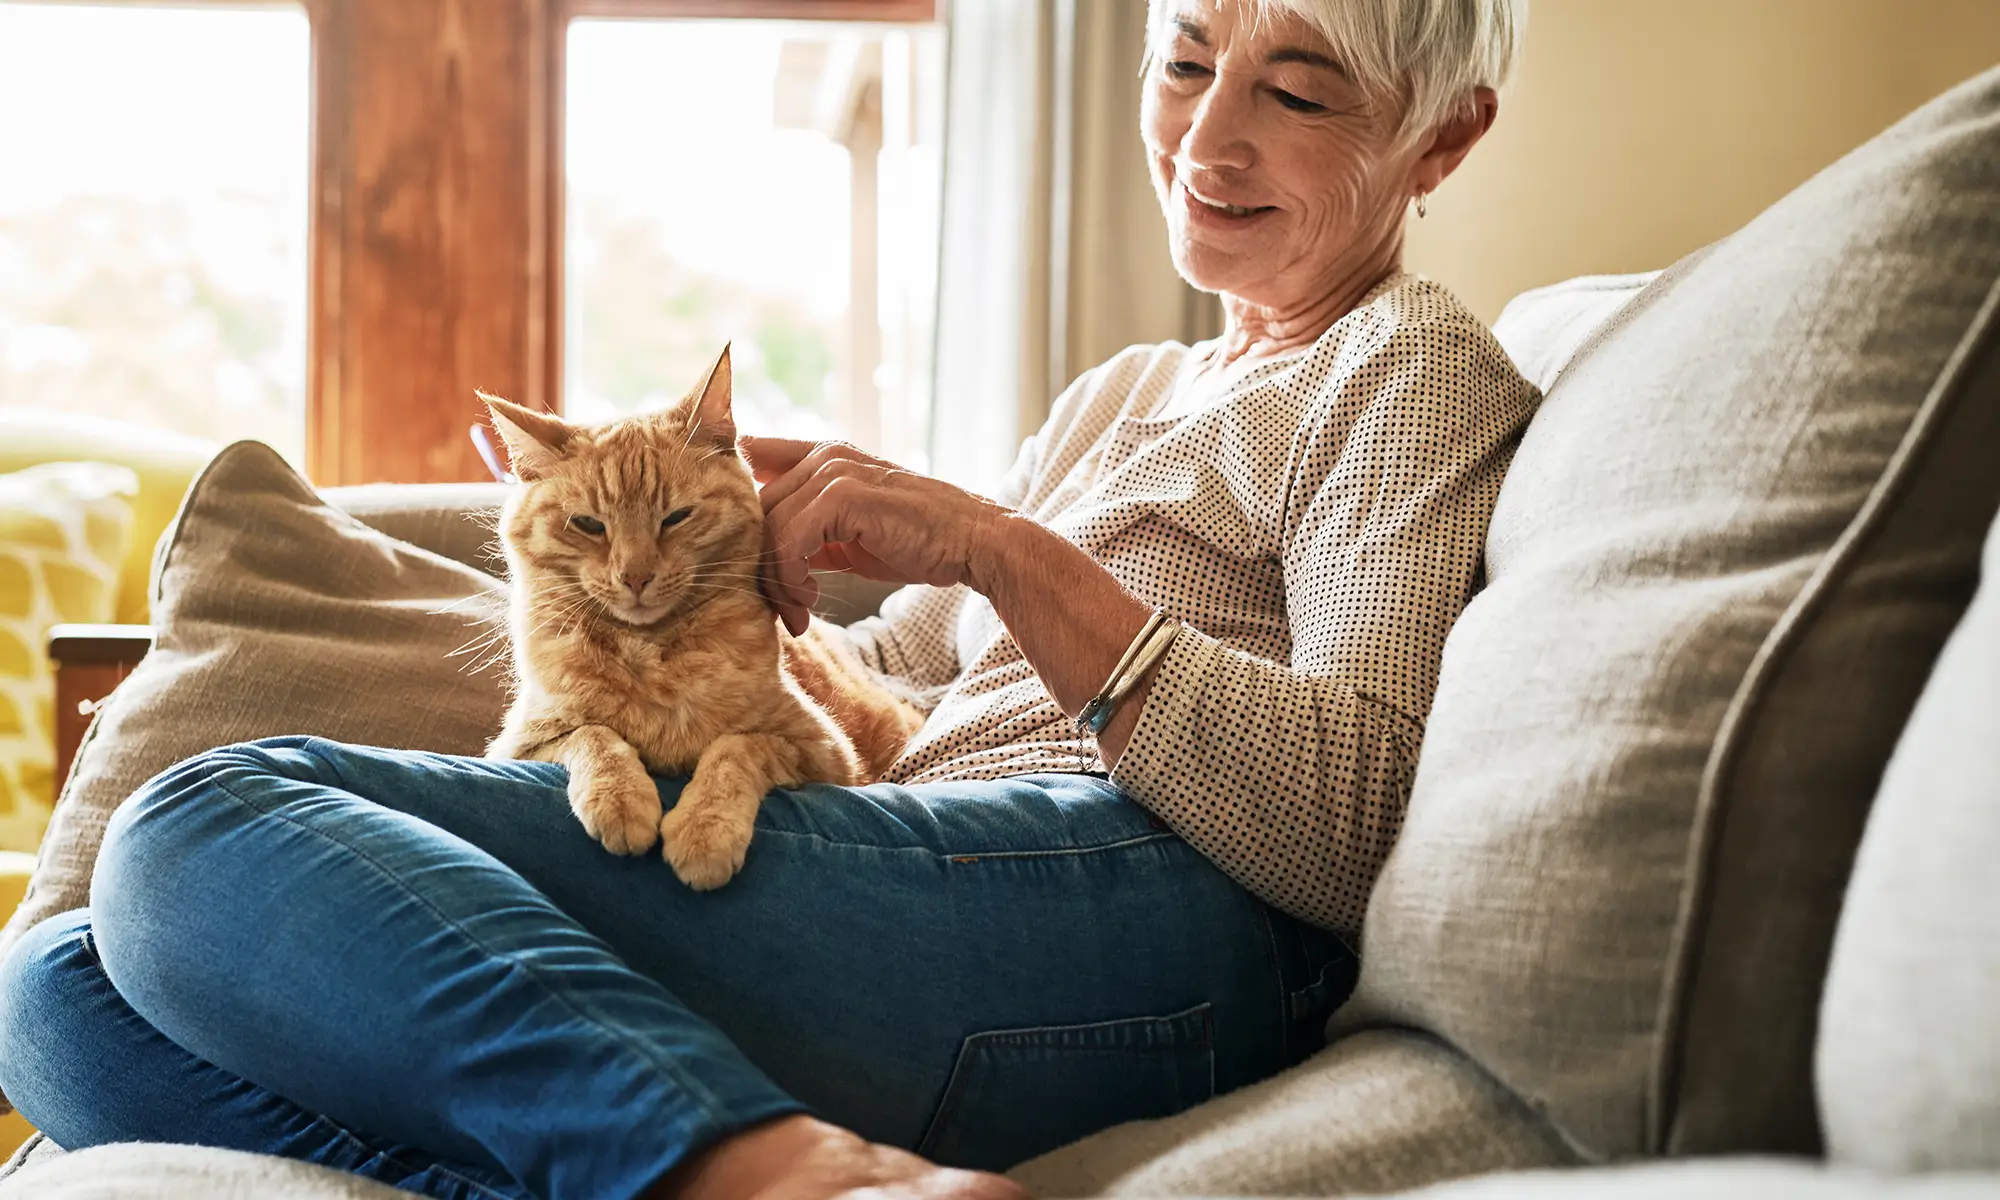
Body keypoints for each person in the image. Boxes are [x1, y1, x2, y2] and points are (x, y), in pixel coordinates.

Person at [0, 2, 1535, 1198]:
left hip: (1137, 915)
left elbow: (1347, 826)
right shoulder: (1127, 390)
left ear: (1442, 139)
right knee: (59, 989)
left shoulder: (1408, 369)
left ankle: (757, 1174)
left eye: (1298, 91)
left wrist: (996, 544)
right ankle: (656, 1160)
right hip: (905, 863)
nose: (1208, 137)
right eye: (1188, 63)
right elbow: (887, 674)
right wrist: (723, 558)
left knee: (203, 825)